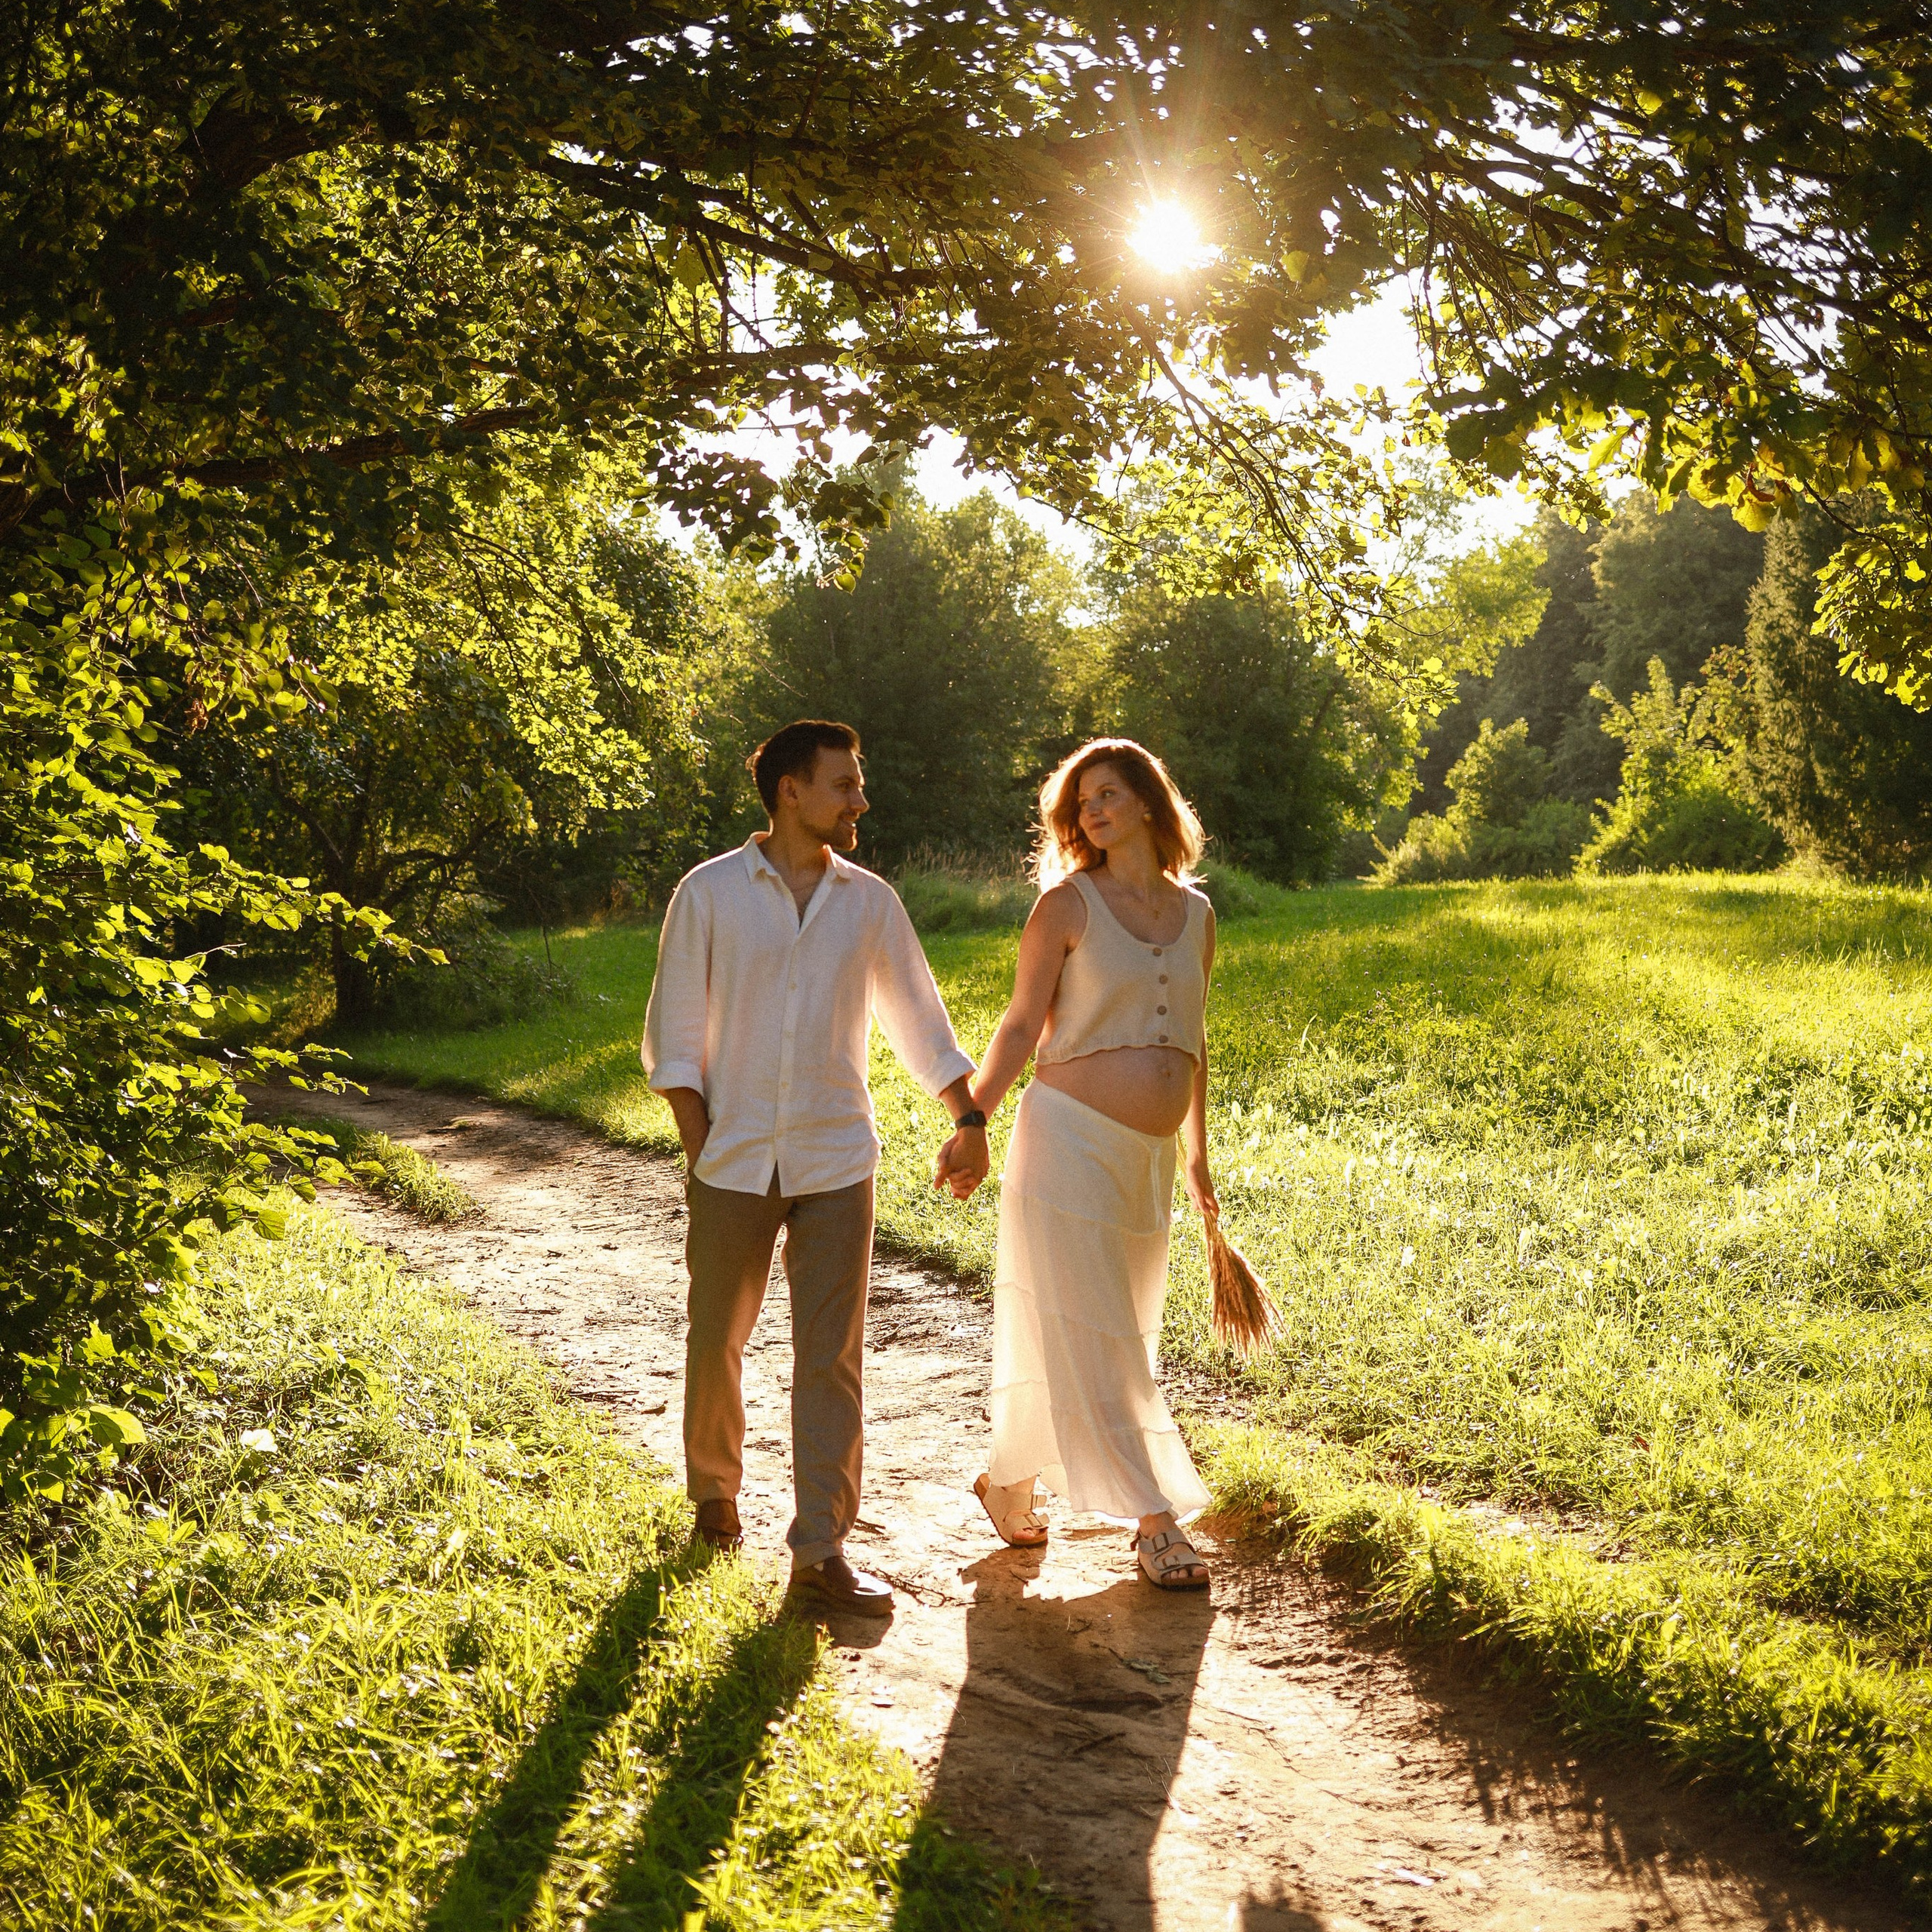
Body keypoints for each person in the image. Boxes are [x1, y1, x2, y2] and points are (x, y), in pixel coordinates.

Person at [642, 719, 990, 1616]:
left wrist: (968, 1118)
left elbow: (920, 1019)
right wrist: (701, 1143)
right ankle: (714, 1498)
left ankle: (821, 1548)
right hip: (733, 1159)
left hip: (837, 1157)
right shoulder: (709, 893)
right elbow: (674, 1034)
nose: (859, 800)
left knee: (830, 1356)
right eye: (844, 784)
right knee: (716, 1334)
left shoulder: (868, 902)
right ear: (791, 791)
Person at [963, 738, 1219, 1589]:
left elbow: (1193, 1038)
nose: (1093, 811)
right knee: (1102, 1333)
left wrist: (1198, 1156)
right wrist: (972, 1118)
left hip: (1147, 1157)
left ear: (1147, 801)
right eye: (1081, 802)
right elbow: (1018, 1025)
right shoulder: (1066, 907)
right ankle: (1153, 1520)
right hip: (1066, 1139)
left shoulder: (1198, 915)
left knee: (1111, 1325)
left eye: (1107, 794)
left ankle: (1008, 1479)